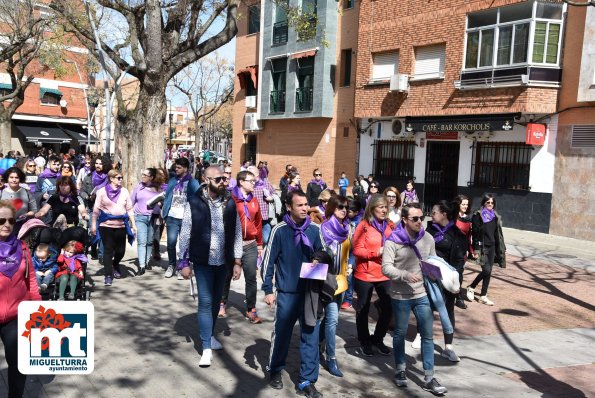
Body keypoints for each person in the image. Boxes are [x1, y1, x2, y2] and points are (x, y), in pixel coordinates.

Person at [177, 166, 243, 368]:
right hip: (203, 261)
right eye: (218, 179)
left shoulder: (230, 201)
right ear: (206, 180)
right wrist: (183, 261)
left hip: (224, 261)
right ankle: (206, 347)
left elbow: (238, 231)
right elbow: (185, 232)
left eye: (225, 178)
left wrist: (237, 261)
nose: (223, 182)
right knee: (205, 302)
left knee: (216, 302)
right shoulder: (194, 202)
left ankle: (210, 335)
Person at [262, 190, 325, 398]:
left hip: (310, 293)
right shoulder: (279, 230)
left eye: (307, 204)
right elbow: (268, 262)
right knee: (281, 334)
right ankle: (276, 370)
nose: (305, 208)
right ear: (289, 207)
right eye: (300, 205)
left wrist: (319, 256)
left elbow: (326, 254)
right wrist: (268, 290)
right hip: (287, 292)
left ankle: (307, 380)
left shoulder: (315, 229)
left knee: (310, 337)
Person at [381, 202, 448, 395]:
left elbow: (433, 261)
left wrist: (436, 272)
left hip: (422, 294)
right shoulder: (393, 240)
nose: (420, 221)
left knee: (427, 335)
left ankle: (429, 377)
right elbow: (386, 267)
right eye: (415, 218)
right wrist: (404, 275)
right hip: (400, 295)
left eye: (422, 217)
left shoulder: (427, 238)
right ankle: (400, 370)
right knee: (400, 333)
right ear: (404, 220)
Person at [0, 200, 41, 398]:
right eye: (1, 220)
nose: (6, 224)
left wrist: (37, 310)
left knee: (18, 362)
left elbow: (31, 280)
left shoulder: (22, 248)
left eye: (10, 220)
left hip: (16, 316)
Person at [351, 194, 394, 356]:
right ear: (372, 208)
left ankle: (378, 338)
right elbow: (357, 250)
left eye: (385, 207)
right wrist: (376, 252)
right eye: (380, 207)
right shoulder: (363, 226)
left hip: (385, 272)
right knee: (363, 308)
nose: (384, 210)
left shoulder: (390, 225)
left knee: (389, 307)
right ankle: (364, 340)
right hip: (365, 273)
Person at [425, 200, 468, 362]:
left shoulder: (457, 235)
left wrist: (456, 284)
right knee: (426, 307)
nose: (431, 215)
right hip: (428, 275)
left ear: (444, 214)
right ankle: (422, 335)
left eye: (434, 212)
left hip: (446, 279)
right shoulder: (428, 230)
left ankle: (448, 347)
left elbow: (458, 264)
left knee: (447, 310)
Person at [219, 170, 263, 322]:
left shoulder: (254, 201)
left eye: (254, 181)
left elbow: (258, 223)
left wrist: (259, 244)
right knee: (227, 275)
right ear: (241, 182)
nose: (253, 183)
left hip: (250, 244)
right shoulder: (230, 199)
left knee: (251, 277)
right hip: (232, 244)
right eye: (251, 181)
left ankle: (251, 308)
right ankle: (221, 302)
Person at [319, 194, 351, 377]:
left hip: (341, 281)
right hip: (325, 279)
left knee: (330, 319)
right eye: (340, 207)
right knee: (331, 320)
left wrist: (349, 266)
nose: (344, 210)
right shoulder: (323, 228)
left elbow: (348, 252)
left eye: (345, 207)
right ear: (332, 208)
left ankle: (318, 346)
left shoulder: (346, 228)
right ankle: (331, 357)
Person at [91, 169, 136, 286]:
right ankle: (108, 275)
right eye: (118, 178)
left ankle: (115, 264)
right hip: (105, 225)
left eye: (121, 178)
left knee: (121, 251)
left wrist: (133, 224)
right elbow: (96, 210)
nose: (121, 180)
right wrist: (93, 225)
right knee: (108, 249)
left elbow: (129, 209)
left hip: (121, 225)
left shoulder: (125, 191)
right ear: (111, 179)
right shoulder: (101, 192)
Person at [161, 158, 200, 278]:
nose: (176, 169)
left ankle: (182, 266)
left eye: (179, 168)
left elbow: (197, 199)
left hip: (186, 218)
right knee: (171, 243)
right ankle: (172, 265)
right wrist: (165, 213)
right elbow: (167, 196)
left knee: (184, 244)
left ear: (185, 169)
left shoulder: (193, 183)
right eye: (176, 167)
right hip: (172, 217)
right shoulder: (172, 180)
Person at [467, 194, 506, 306]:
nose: (490, 204)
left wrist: (501, 248)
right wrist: (476, 249)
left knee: (489, 272)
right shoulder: (477, 215)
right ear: (484, 203)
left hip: (493, 246)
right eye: (488, 202)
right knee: (486, 270)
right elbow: (474, 234)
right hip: (482, 247)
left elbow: (497, 234)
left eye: (492, 203)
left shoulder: (495, 216)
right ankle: (472, 287)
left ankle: (483, 295)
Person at [131, 168, 164, 275]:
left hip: (153, 218)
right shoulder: (139, 187)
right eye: (143, 174)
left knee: (150, 242)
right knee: (142, 241)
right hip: (139, 217)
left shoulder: (158, 189)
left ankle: (146, 261)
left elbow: (163, 202)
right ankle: (141, 266)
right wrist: (129, 217)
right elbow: (132, 201)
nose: (143, 176)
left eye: (146, 175)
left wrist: (160, 204)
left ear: (152, 177)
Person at [341, 199, 363, 310]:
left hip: (354, 252)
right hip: (345, 249)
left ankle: (348, 299)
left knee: (349, 275)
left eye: (349, 211)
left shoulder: (361, 223)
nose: (346, 212)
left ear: (356, 212)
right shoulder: (345, 220)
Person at [0, 168, 37, 235]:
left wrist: (26, 214)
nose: (14, 180)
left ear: (20, 179)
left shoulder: (26, 192)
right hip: (4, 229)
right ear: (7, 178)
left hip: (23, 228)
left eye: (16, 177)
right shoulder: (1, 193)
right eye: (11, 177)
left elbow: (34, 210)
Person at [454, 194, 474, 309]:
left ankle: (458, 297)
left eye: (467, 204)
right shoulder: (452, 217)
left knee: (459, 274)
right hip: (451, 249)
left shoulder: (469, 219)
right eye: (463, 204)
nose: (465, 206)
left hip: (461, 250)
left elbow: (469, 237)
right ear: (458, 204)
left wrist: (471, 250)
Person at [248, 165, 276, 244]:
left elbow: (274, 194)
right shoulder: (247, 184)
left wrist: (271, 198)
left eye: (249, 173)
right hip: (251, 217)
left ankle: (267, 254)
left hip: (264, 217)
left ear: (256, 174)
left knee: (267, 240)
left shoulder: (265, 183)